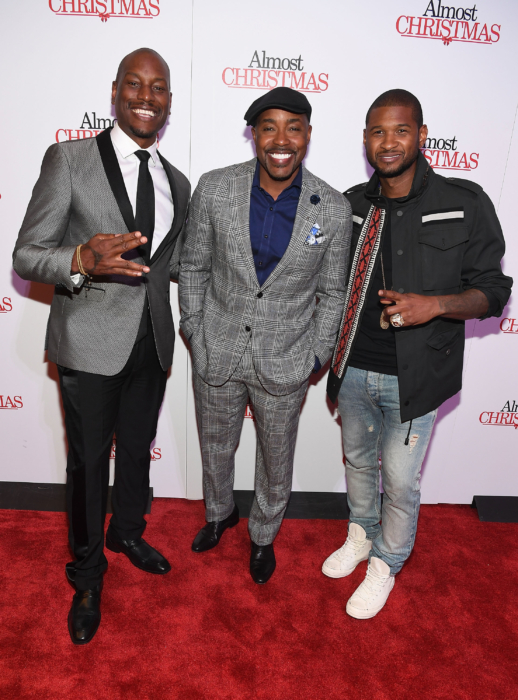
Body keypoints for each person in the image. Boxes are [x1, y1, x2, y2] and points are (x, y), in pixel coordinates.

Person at [13, 48, 190, 644]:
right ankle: (88, 573)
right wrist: (83, 258)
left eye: (158, 87)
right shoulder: (69, 159)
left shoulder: (178, 183)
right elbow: (26, 253)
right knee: (90, 465)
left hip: (152, 343)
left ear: (169, 100)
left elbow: (171, 267)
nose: (146, 96)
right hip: (89, 341)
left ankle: (129, 531)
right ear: (115, 91)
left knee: (137, 448)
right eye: (135, 85)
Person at [323, 89, 512, 619]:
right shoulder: (352, 204)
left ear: (422, 136)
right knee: (359, 463)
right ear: (365, 139)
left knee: (401, 480)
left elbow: (493, 291)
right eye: (378, 132)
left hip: (417, 376)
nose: (388, 142)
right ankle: (361, 534)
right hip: (353, 367)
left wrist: (435, 305)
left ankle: (387, 560)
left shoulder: (465, 201)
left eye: (401, 130)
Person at [179, 87, 352, 584]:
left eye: (293, 127)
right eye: (269, 126)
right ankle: (218, 514)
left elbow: (334, 292)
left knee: (277, 460)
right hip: (217, 347)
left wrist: (316, 354)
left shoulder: (333, 209)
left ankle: (262, 535)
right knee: (215, 446)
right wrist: (194, 327)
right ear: (253, 134)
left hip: (287, 358)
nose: (281, 139)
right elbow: (191, 267)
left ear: (308, 135)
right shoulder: (215, 188)